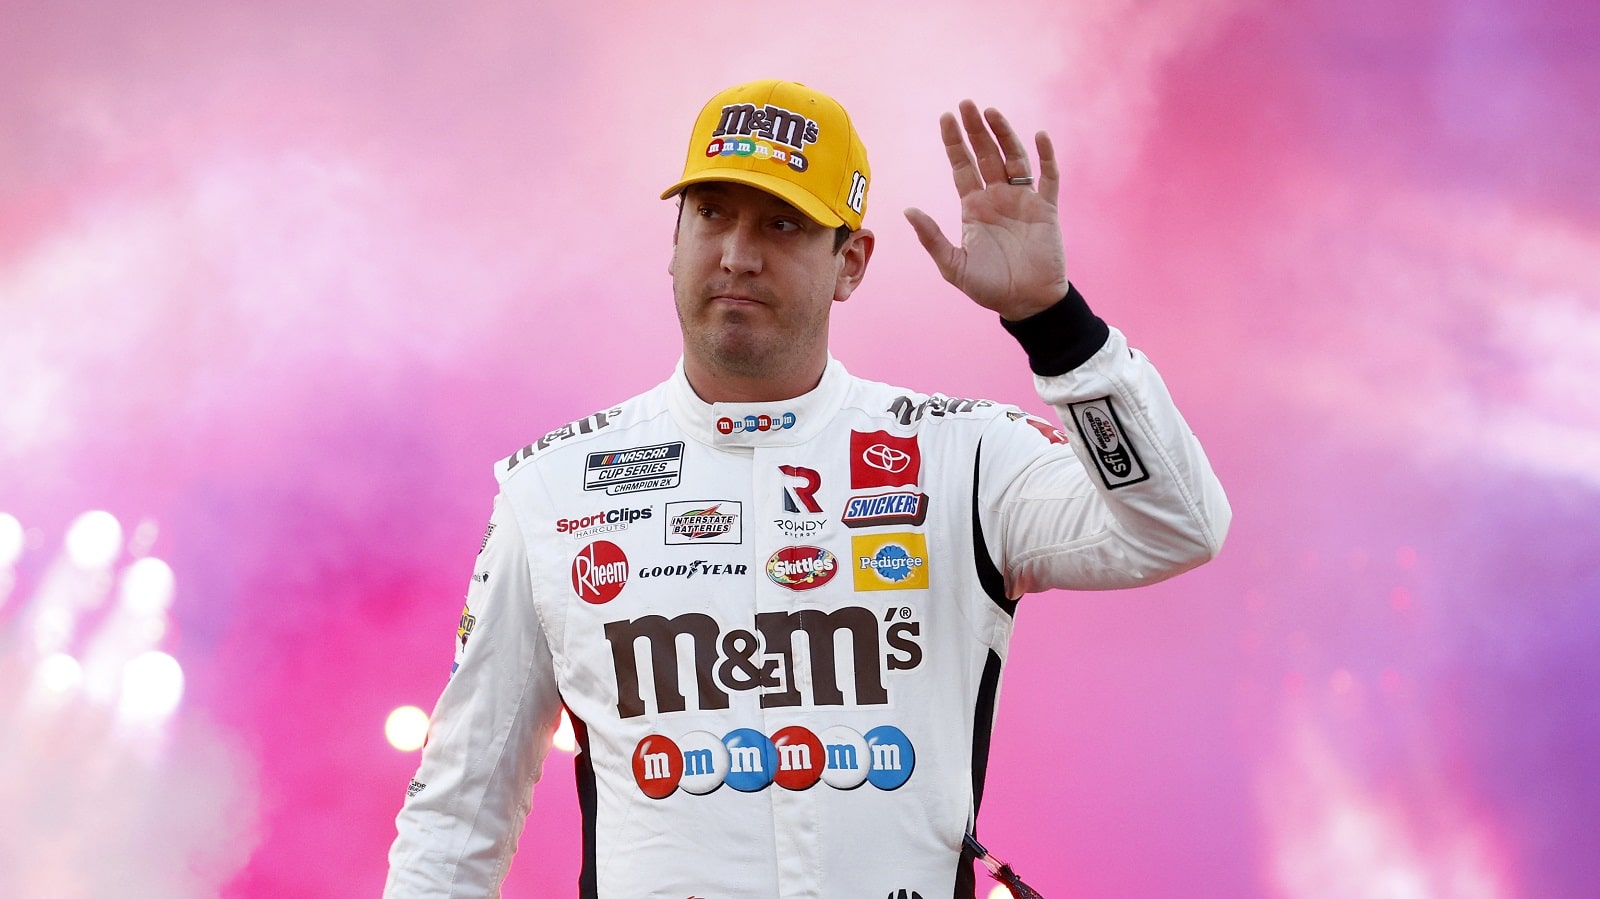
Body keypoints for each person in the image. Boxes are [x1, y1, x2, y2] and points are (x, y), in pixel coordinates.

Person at [384, 78, 1230, 899]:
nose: (737, 253)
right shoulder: (553, 487)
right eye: (711, 214)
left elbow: (1178, 526)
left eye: (783, 224)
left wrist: (1053, 321)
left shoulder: (961, 454)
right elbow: (462, 805)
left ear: (851, 262)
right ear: (673, 238)